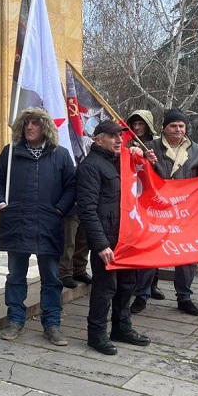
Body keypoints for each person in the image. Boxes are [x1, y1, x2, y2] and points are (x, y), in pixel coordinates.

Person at [0, 107, 76, 345]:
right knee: (16, 275)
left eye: (35, 123)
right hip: (16, 222)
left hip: (48, 224)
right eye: (26, 123)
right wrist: (0, 202)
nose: (30, 127)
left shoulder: (60, 155)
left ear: (45, 127)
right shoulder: (10, 153)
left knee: (51, 277)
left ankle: (52, 323)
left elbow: (72, 186)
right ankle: (15, 319)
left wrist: (59, 209)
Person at [77, 120, 151, 355]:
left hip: (126, 237)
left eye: (121, 136)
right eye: (113, 136)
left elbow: (145, 181)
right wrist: (100, 245)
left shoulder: (122, 161)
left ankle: (121, 327)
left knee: (128, 284)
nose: (120, 140)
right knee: (105, 287)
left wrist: (141, 157)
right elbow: (87, 209)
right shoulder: (90, 166)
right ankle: (96, 334)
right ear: (98, 139)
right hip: (106, 241)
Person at [146, 109, 198, 316]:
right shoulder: (151, 148)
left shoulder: (197, 151)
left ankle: (184, 297)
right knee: (150, 252)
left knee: (187, 255)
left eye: (182, 126)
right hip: (157, 210)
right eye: (174, 126)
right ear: (164, 128)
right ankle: (141, 294)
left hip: (185, 212)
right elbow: (139, 174)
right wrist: (146, 161)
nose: (179, 129)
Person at [126, 109, 166, 313]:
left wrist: (153, 162)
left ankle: (151, 285)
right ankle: (135, 285)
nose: (136, 128)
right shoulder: (125, 144)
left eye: (140, 124)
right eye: (133, 124)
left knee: (154, 245)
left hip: (153, 202)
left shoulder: (158, 146)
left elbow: (164, 174)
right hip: (134, 201)